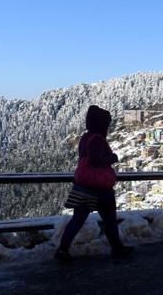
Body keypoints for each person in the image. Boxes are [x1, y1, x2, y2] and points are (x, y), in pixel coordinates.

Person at [54, 105, 133, 262]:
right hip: (100, 188)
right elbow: (95, 160)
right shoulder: (97, 138)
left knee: (78, 219)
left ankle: (62, 250)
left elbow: (86, 159)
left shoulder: (85, 137)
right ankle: (117, 248)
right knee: (109, 219)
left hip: (83, 185)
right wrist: (112, 158)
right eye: (106, 123)